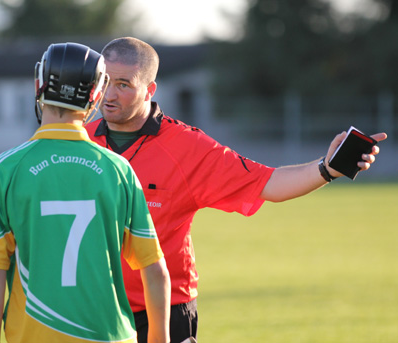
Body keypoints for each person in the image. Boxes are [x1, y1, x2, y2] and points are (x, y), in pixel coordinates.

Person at [85, 37, 387, 343]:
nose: (109, 95)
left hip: (163, 313)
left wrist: (326, 168)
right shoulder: (77, 141)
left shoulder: (188, 148)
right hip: (90, 310)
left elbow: (268, 183)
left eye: (123, 84)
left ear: (149, 90)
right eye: (105, 81)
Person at [0, 42, 171, 343]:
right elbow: (155, 271)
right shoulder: (118, 169)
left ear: (39, 84)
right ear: (97, 94)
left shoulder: (4, 169)